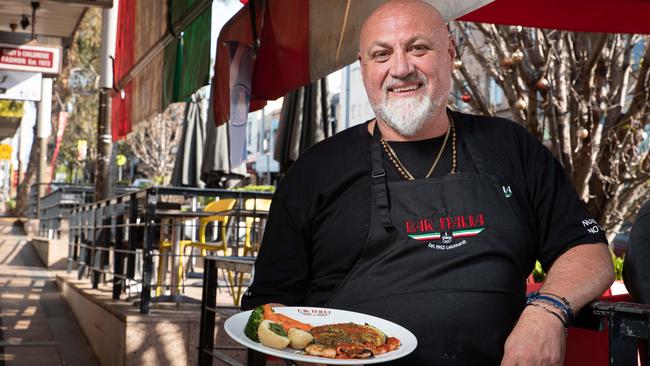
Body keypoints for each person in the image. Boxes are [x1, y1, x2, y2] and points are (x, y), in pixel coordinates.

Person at [241, 1, 614, 364]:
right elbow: (270, 306)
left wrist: (547, 311)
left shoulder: (511, 146)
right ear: (363, 66)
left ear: (450, 50)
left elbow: (589, 252)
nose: (401, 68)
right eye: (381, 54)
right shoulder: (316, 169)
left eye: (418, 48)